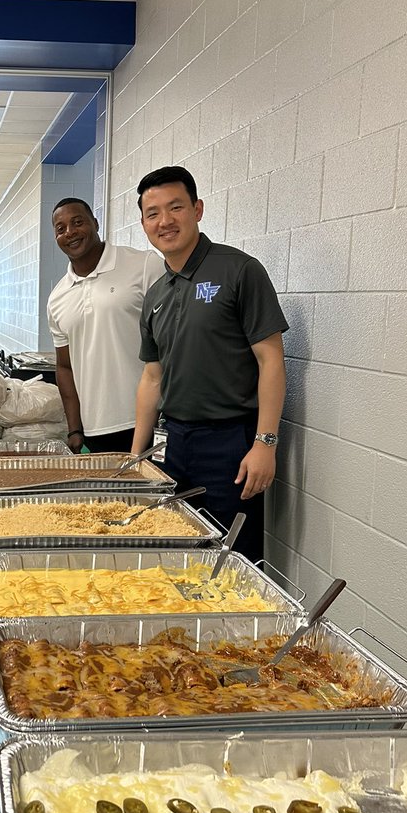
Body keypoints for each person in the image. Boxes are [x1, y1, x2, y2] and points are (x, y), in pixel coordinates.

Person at [132, 165, 287, 562]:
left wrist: (265, 444)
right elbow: (152, 378)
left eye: (176, 207)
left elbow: (271, 360)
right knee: (177, 550)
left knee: (233, 560)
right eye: (153, 213)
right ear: (144, 224)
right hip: (175, 443)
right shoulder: (155, 295)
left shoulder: (239, 270)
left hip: (232, 444)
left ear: (197, 209)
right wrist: (137, 457)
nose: (165, 221)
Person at [47, 197, 163, 454]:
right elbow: (65, 367)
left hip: (150, 422)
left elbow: (173, 341)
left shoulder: (144, 265)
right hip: (95, 430)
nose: (70, 232)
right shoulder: (57, 297)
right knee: (111, 497)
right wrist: (75, 429)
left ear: (96, 223)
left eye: (78, 222)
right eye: (61, 228)